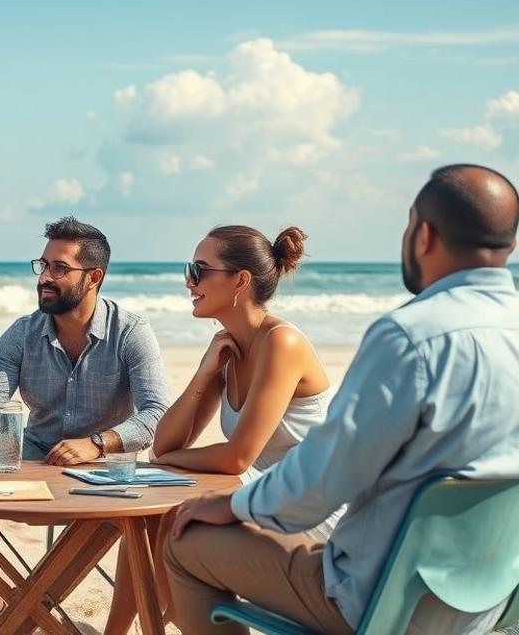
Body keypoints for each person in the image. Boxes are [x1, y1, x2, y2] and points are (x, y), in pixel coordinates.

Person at [164, 164, 519, 635]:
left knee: (182, 543)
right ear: (509, 244)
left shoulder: (409, 337)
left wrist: (235, 507)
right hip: (487, 602)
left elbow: (326, 477)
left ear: (423, 236)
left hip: (379, 598)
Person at [105, 225, 343, 634]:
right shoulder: (227, 345)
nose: (189, 281)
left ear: (240, 281)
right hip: (265, 494)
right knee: (151, 510)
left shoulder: (282, 343)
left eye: (198, 270)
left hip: (312, 506)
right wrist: (205, 373)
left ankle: (164, 620)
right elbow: (165, 442)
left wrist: (170, 460)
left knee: (172, 515)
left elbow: (237, 456)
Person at [0, 216, 170, 635]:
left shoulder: (131, 332)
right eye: (43, 265)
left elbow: (157, 413)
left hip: (107, 468)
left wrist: (97, 444)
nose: (45, 277)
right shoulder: (22, 333)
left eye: (60, 268)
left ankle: (111, 630)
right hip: (35, 455)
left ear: (94, 277)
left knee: (152, 504)